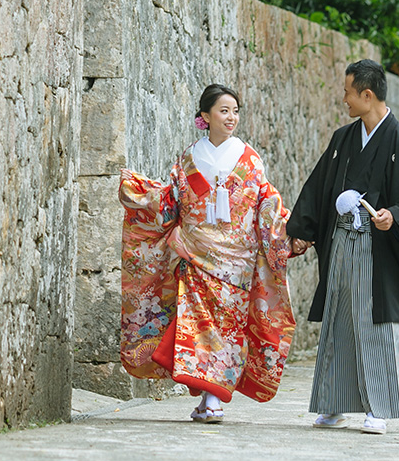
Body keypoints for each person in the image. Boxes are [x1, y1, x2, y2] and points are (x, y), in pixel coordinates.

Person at [120, 84, 296, 423]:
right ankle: (207, 397)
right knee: (199, 326)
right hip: (195, 252)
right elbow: (170, 202)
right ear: (205, 116)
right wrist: (142, 196)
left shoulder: (249, 159)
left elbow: (266, 204)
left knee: (226, 327)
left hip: (236, 259)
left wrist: (291, 232)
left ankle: (213, 398)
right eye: (223, 111)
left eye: (235, 111)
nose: (231, 118)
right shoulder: (188, 158)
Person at [286, 59, 399, 435]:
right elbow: (320, 185)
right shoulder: (343, 139)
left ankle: (379, 408)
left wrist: (395, 217)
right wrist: (303, 229)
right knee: (339, 320)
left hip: (380, 251)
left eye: (348, 92)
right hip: (342, 242)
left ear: (367, 95)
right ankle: (334, 405)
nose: (344, 99)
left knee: (377, 325)